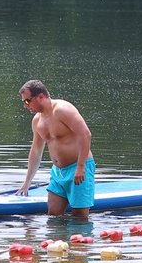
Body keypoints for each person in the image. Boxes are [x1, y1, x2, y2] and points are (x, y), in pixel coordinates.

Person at [17, 80, 95, 218]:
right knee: (53, 216)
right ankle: (58, 239)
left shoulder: (62, 110)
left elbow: (85, 134)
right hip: (58, 173)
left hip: (78, 168)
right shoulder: (37, 121)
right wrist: (26, 183)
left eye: (27, 101)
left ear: (40, 97)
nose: (25, 105)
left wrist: (81, 166)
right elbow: (36, 151)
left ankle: (79, 239)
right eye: (24, 102)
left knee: (80, 217)